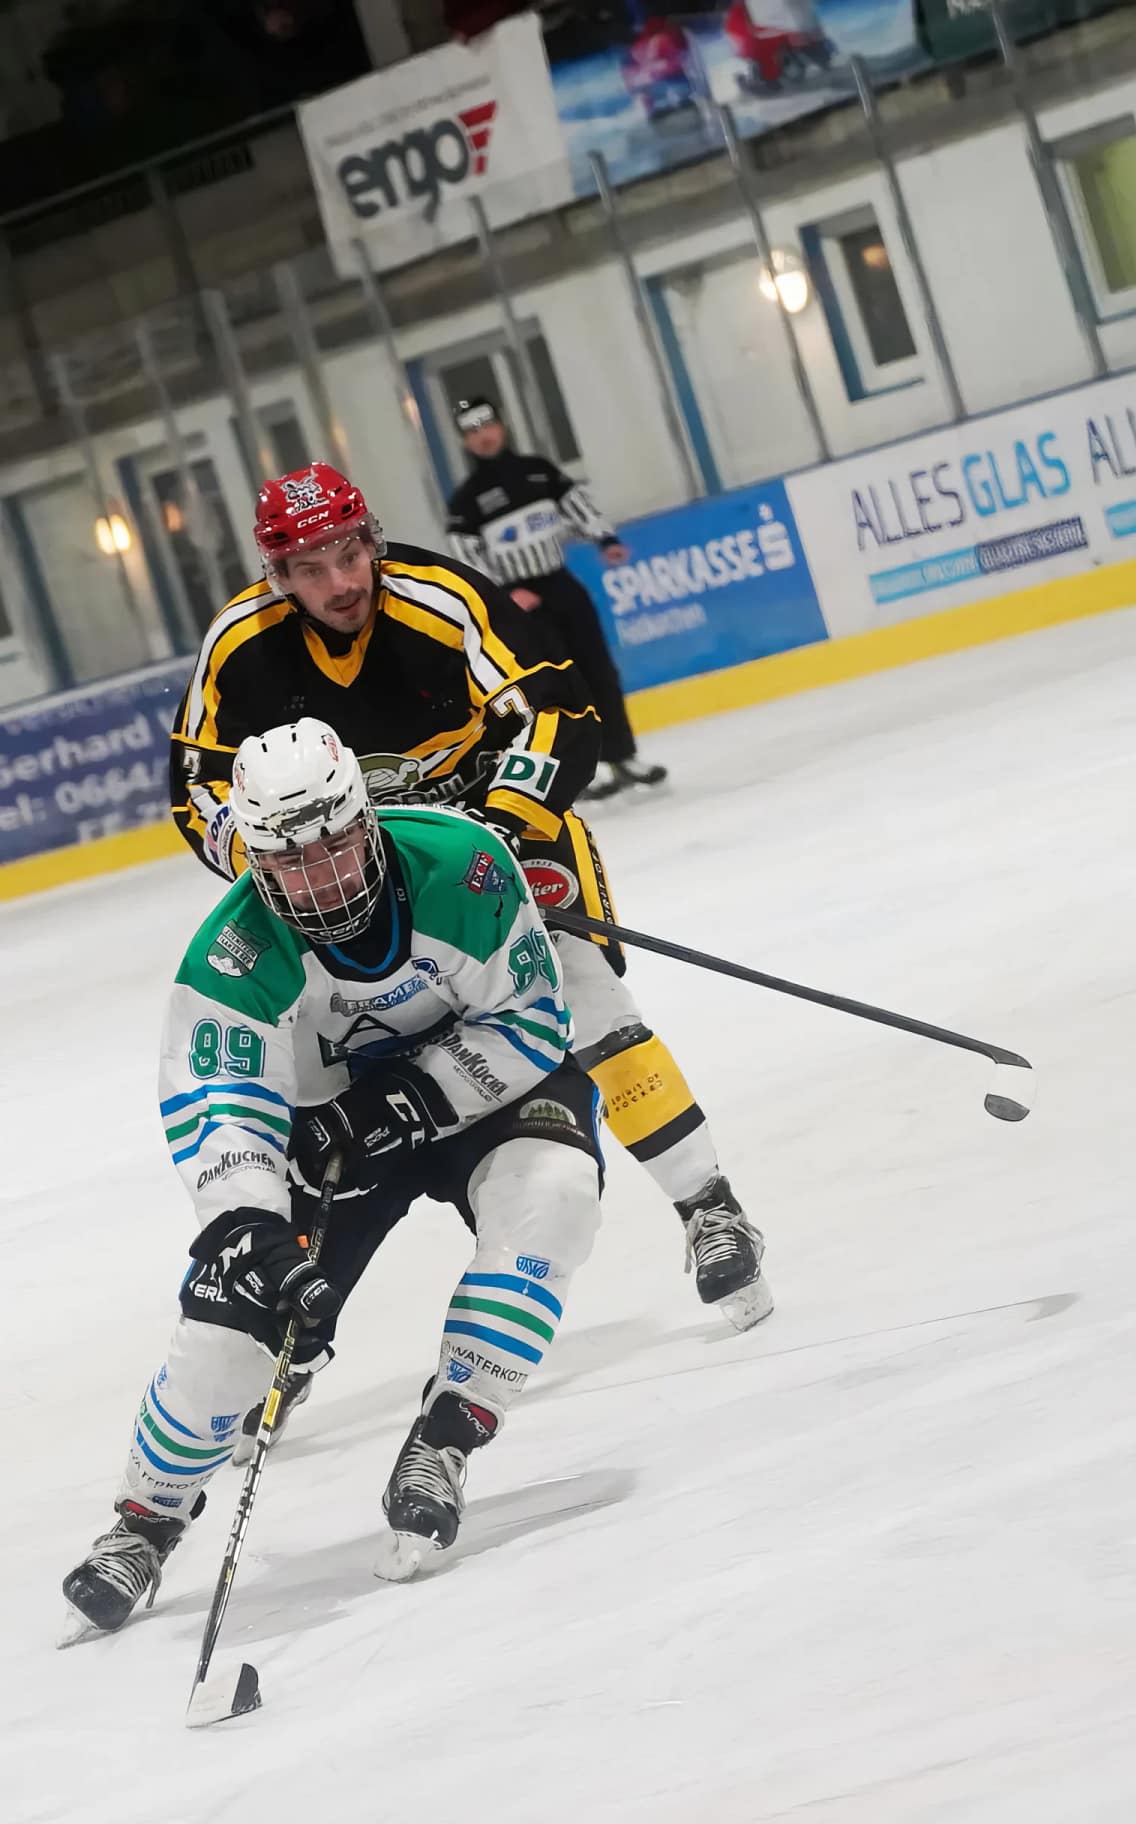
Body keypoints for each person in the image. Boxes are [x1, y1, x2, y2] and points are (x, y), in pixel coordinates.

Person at [169, 463, 769, 1367]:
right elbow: (196, 782)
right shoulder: (240, 646)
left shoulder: (440, 600)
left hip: (496, 842)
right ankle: (285, 1327)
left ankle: (710, 1205)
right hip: (346, 876)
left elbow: (561, 716)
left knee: (581, 994)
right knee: (324, 1069)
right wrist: (266, 862)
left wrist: (498, 830)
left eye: (348, 555)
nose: (340, 583)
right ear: (277, 577)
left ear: (369, 540)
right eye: (313, 568)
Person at [63, 720, 601, 1631]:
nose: (320, 879)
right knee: (229, 1335)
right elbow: (220, 1110)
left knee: (553, 1196)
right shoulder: (232, 958)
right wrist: (252, 1231)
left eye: (335, 847)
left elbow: (533, 1021)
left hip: (477, 1099)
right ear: (256, 862)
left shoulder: (463, 868)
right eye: (289, 863)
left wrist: (403, 1102)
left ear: (368, 821)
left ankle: (446, 1437)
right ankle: (144, 1522)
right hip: (327, 1143)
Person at [444, 394, 665, 801]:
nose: (483, 437)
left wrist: (606, 539)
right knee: (562, 685)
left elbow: (575, 506)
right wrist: (507, 594)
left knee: (600, 671)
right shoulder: (466, 500)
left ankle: (624, 755)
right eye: (472, 432)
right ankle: (588, 768)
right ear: (464, 441)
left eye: (487, 426)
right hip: (522, 604)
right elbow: (467, 557)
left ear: (501, 426)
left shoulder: (537, 471)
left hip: (561, 585)